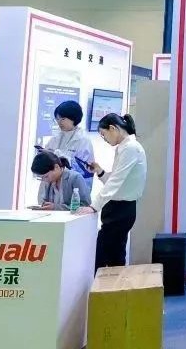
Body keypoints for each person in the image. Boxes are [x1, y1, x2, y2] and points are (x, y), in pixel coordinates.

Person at [76, 113, 146, 269]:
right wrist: (99, 171)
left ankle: (109, 284)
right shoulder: (125, 147)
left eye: (103, 134)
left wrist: (94, 206)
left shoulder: (130, 148)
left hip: (121, 210)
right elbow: (115, 180)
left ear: (113, 129)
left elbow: (115, 182)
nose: (104, 139)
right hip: (117, 209)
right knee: (112, 256)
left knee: (106, 257)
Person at [45, 101, 95, 181]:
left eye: (63, 119)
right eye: (57, 119)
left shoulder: (84, 140)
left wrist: (64, 159)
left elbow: (86, 170)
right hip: (54, 182)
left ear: (73, 118)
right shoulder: (55, 138)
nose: (59, 122)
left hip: (74, 184)